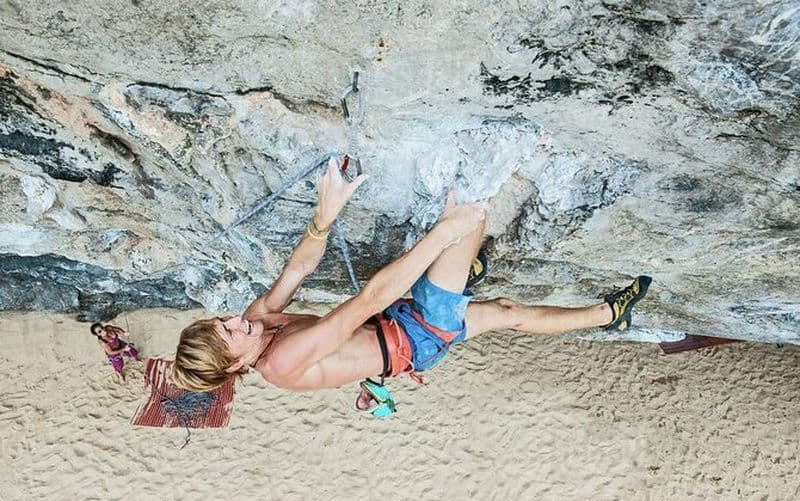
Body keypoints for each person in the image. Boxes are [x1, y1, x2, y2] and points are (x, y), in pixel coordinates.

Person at [173, 157, 651, 413]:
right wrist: (443, 231)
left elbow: (297, 270)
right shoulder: (280, 359)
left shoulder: (257, 324)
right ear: (235, 362)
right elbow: (366, 299)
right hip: (417, 334)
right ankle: (527, 163)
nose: (236, 319)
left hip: (396, 326)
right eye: (229, 332)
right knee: (470, 212)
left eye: (223, 320)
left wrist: (326, 213)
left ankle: (609, 316)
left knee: (506, 311)